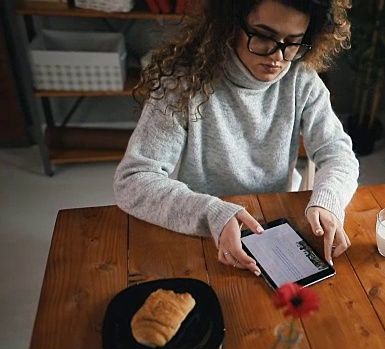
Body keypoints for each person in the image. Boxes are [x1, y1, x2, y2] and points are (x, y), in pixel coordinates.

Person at [113, 0, 359, 277]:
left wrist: (329, 201)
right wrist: (212, 213)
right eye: (264, 36)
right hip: (205, 225)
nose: (278, 56)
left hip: (275, 224)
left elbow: (338, 153)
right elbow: (132, 181)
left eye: (293, 42)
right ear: (230, 25)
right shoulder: (184, 83)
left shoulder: (301, 81)